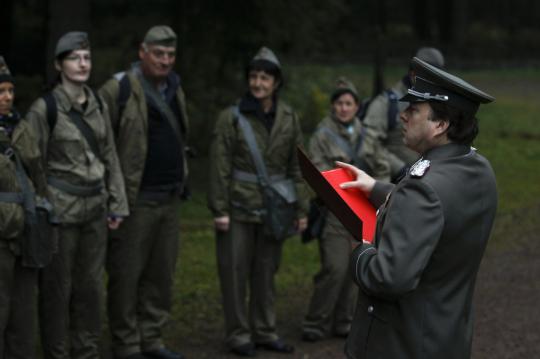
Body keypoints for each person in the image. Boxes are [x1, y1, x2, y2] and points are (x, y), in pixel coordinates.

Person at [338, 57, 497, 359]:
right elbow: (440, 207)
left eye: (413, 110)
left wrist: (361, 249)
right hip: (447, 335)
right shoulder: (477, 168)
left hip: (401, 343)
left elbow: (389, 277)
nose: (402, 116)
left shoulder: (423, 187)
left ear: (441, 124)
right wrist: (376, 187)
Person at [25, 32, 128, 359]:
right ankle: (57, 352)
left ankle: (86, 351)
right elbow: (30, 160)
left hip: (95, 209)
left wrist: (117, 202)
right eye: (74, 58)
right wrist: (39, 207)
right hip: (60, 212)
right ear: (59, 65)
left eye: (86, 57)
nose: (82, 64)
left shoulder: (97, 102)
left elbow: (110, 153)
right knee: (57, 289)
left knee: (91, 288)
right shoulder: (45, 109)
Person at [208, 46, 308, 357]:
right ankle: (239, 335)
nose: (258, 82)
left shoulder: (289, 118)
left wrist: (302, 208)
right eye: (253, 76)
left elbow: (297, 166)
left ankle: (264, 331)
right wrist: (219, 209)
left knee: (266, 273)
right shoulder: (232, 118)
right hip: (238, 207)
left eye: (264, 77)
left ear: (276, 82)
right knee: (234, 272)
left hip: (274, 210)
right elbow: (219, 166)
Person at [99, 25, 189, 359]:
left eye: (170, 55)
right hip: (134, 201)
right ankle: (126, 343)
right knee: (126, 276)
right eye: (158, 54)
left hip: (168, 198)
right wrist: (113, 197)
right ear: (143, 52)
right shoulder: (119, 88)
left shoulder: (174, 88)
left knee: (160, 275)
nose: (165, 61)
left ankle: (151, 337)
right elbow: (102, 143)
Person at [302, 77, 362, 342]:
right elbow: (316, 171)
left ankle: (344, 321)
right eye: (339, 103)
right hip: (334, 211)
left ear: (356, 107)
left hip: (361, 210)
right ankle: (315, 321)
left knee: (354, 268)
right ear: (333, 106)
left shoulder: (365, 133)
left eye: (348, 103)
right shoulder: (321, 134)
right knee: (334, 268)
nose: (344, 108)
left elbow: (379, 163)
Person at [0, 56, 50, 358]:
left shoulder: (20, 128)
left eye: (9, 90)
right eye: (0, 91)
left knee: (23, 313)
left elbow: (38, 174)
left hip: (26, 232)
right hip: (2, 234)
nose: (6, 97)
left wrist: (44, 209)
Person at [360, 47, 445, 182]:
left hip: (431, 180)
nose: (432, 81)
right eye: (427, 75)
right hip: (392, 184)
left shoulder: (439, 102)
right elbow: (369, 145)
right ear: (413, 74)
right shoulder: (386, 103)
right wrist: (400, 169)